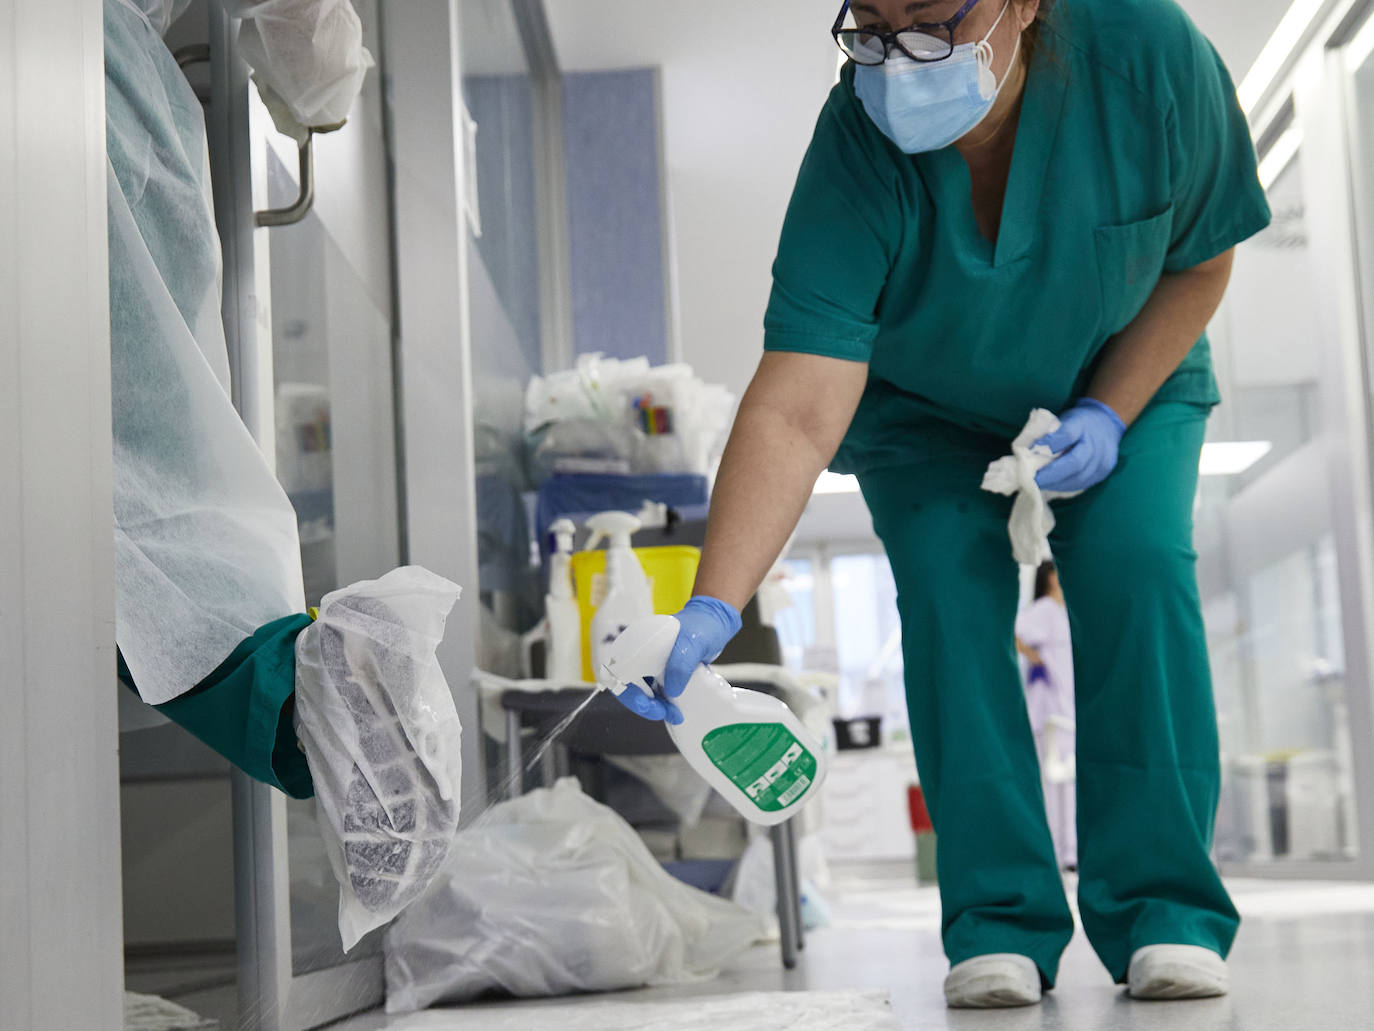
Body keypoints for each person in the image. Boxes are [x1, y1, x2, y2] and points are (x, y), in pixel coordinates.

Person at [610, 0, 1270, 1009]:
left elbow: (1200, 260)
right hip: (924, 412)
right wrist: (716, 601)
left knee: (1138, 575)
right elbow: (795, 407)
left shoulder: (1149, 58)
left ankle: (1167, 911)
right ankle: (999, 917)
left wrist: (1107, 408)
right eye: (869, 22)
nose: (898, 54)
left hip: (1127, 372)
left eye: (931, 19)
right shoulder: (854, 155)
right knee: (949, 608)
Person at [106, 0, 462, 932]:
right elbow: (307, 41)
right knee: (142, 474)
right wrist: (319, 97)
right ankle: (305, 686)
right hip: (86, 100)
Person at [1016, 561, 1076, 871]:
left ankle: (1072, 851)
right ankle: (1054, 849)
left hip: (1072, 707)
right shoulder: (1043, 609)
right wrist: (1033, 656)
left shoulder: (1070, 609)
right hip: (1051, 709)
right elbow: (1015, 633)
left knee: (1072, 783)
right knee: (1052, 783)